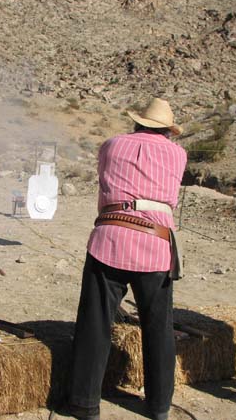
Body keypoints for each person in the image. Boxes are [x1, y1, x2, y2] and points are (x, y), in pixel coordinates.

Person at [66, 98, 187, 420]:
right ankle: (159, 406)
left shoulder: (111, 145)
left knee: (95, 324)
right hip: (156, 242)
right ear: (167, 130)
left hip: (111, 237)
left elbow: (106, 183)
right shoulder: (178, 153)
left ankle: (84, 404)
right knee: (159, 328)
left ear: (137, 122)